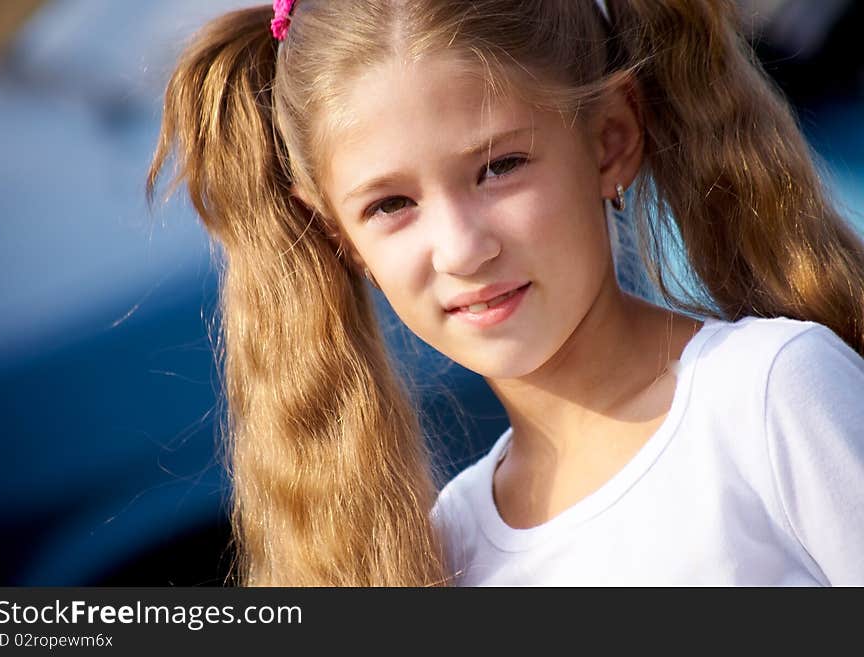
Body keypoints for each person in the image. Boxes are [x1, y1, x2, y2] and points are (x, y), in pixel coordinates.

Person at [146, 0, 864, 586]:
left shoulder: (769, 395)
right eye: (391, 204)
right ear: (338, 236)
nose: (461, 247)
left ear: (611, 139)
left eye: (499, 166)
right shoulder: (441, 559)